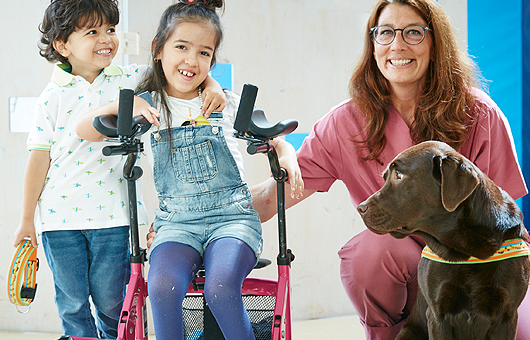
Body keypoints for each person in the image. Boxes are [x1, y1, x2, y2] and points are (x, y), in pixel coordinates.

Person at [248, 0, 530, 339]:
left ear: (434, 42)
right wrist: (196, 223)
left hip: (483, 265)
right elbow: (276, 193)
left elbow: (504, 217)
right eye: (385, 33)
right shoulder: (344, 123)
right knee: (370, 255)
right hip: (406, 269)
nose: (397, 45)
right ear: (373, 44)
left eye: (413, 32)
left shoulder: (480, 114)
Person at [75, 1, 304, 339]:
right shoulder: (149, 106)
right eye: (181, 47)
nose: (191, 60)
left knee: (221, 286)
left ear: (212, 61)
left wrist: (287, 154)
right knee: (163, 287)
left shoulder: (223, 100)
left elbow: (274, 132)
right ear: (158, 50)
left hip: (232, 219)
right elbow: (84, 128)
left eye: (204, 53)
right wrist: (132, 103)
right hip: (176, 223)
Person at [13, 0, 225, 338]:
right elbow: (38, 160)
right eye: (92, 31)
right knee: (72, 304)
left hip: (115, 217)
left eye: (110, 30)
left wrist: (211, 85)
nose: (106, 39)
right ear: (62, 44)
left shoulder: (132, 79)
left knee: (115, 304)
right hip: (58, 219)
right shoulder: (50, 96)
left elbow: (179, 70)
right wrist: (26, 219)